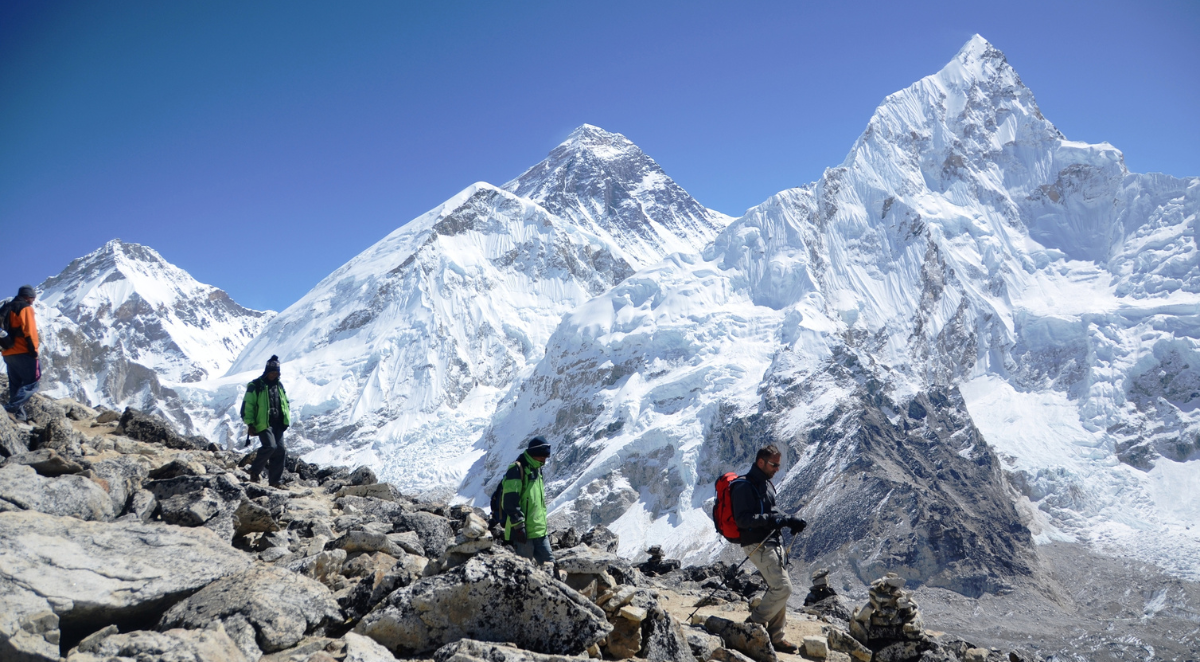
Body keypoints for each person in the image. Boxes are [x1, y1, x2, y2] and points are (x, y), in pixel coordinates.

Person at [730, 444, 807, 654]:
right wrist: (774, 520)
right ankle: (751, 626)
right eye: (774, 464)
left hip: (770, 542)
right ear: (761, 462)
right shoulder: (744, 486)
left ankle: (776, 637)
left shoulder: (765, 484)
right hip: (757, 544)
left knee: (778, 587)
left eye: (778, 465)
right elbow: (743, 519)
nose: (776, 469)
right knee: (783, 587)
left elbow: (772, 511)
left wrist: (789, 519)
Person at [500, 436, 553, 564]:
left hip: (539, 531)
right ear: (535, 454)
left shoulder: (538, 468)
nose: (545, 460)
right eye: (543, 456)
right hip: (522, 534)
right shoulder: (517, 469)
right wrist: (519, 526)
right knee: (524, 570)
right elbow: (510, 501)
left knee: (551, 565)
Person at [241, 355, 290, 486]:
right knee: (270, 446)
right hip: (263, 423)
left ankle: (275, 482)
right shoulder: (256, 385)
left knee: (280, 451)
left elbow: (285, 402)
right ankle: (254, 471)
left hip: (278, 423)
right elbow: (248, 405)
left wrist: (286, 418)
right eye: (272, 372)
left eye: (276, 372)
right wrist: (250, 424)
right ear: (267, 371)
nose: (274, 375)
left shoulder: (279, 386)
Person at [2, 285, 40, 423]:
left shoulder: (7, 307)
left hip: (7, 352)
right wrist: (34, 351)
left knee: (15, 385)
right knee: (33, 383)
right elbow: (30, 331)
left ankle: (19, 417)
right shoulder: (25, 308)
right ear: (27, 297)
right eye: (32, 298)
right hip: (23, 351)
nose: (33, 301)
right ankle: (10, 409)